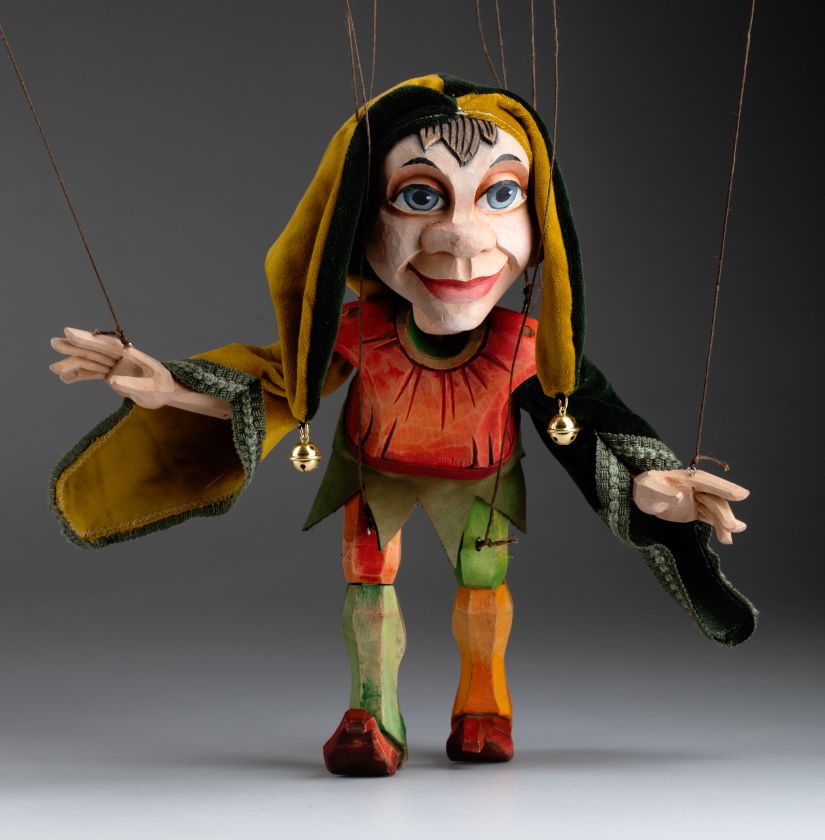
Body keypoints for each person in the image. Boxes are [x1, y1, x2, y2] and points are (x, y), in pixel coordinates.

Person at [48, 74, 755, 777]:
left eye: (500, 195)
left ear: (542, 221)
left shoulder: (526, 349)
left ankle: (483, 703)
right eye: (419, 197)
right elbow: (279, 389)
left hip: (481, 478)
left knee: (483, 584)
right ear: (357, 226)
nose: (463, 237)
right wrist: (171, 390)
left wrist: (649, 491)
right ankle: (371, 711)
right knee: (368, 586)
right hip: (374, 471)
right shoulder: (359, 330)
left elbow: (592, 432)